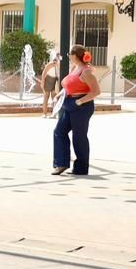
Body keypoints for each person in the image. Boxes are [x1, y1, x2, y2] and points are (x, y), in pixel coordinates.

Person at [52, 44, 100, 176]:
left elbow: (96, 91)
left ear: (74, 56)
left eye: (69, 54)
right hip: (68, 102)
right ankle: (61, 164)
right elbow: (69, 85)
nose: (68, 57)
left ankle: (81, 168)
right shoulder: (74, 68)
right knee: (59, 131)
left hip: (82, 106)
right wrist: (60, 94)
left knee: (79, 137)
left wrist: (80, 101)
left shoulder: (86, 71)